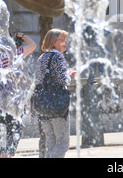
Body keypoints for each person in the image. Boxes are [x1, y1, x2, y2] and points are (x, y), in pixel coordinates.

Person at [35, 29, 77, 158]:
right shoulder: (58, 56)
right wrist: (70, 76)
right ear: (54, 42)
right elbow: (62, 80)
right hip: (57, 105)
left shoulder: (42, 57)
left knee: (50, 142)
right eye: (63, 40)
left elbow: (40, 80)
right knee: (62, 143)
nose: (66, 42)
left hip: (43, 105)